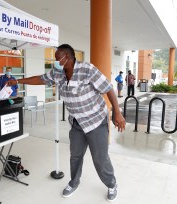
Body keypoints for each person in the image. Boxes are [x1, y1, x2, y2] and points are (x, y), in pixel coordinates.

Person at [6, 44, 125, 201]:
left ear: (67, 57)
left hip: (95, 121)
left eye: (57, 59)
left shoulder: (87, 69)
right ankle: (74, 182)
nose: (55, 62)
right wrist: (18, 81)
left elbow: (108, 88)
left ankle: (111, 184)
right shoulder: (58, 73)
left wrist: (117, 112)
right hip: (76, 123)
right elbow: (40, 79)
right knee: (75, 156)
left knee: (100, 158)